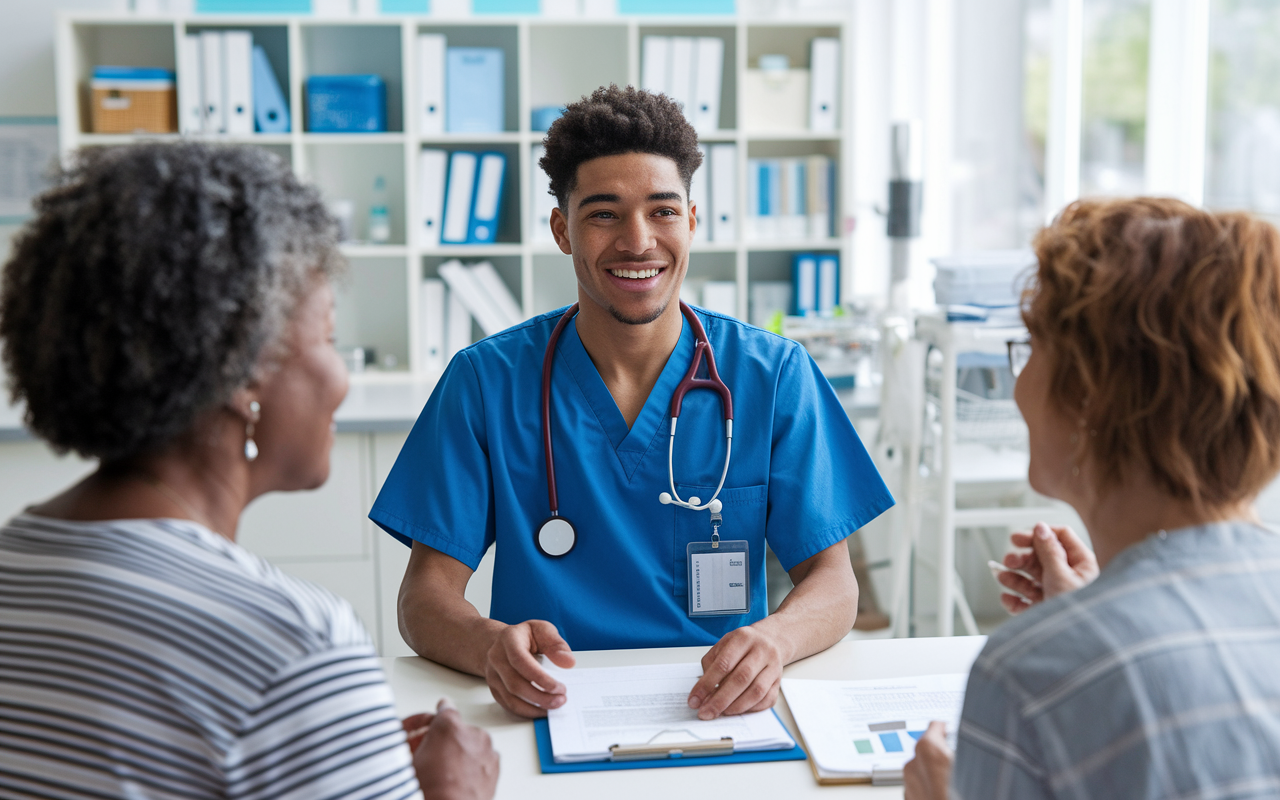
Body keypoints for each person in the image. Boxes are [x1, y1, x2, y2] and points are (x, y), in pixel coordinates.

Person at [372, 85, 893, 721]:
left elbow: (833, 582)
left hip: (720, 707)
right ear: (563, 230)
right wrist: (490, 648)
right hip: (551, 707)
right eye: (604, 214)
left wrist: (774, 642)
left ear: (692, 222)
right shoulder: (485, 382)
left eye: (663, 211)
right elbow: (424, 598)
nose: (638, 241)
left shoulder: (774, 376)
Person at [0, 143, 498, 800]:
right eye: (327, 338)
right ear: (245, 371)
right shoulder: (294, 641)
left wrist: (332, 750)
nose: (340, 377)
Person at [903, 197, 1280, 799]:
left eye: (1028, 350)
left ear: (1091, 395)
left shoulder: (1032, 675)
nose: (1019, 385)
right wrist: (1096, 609)